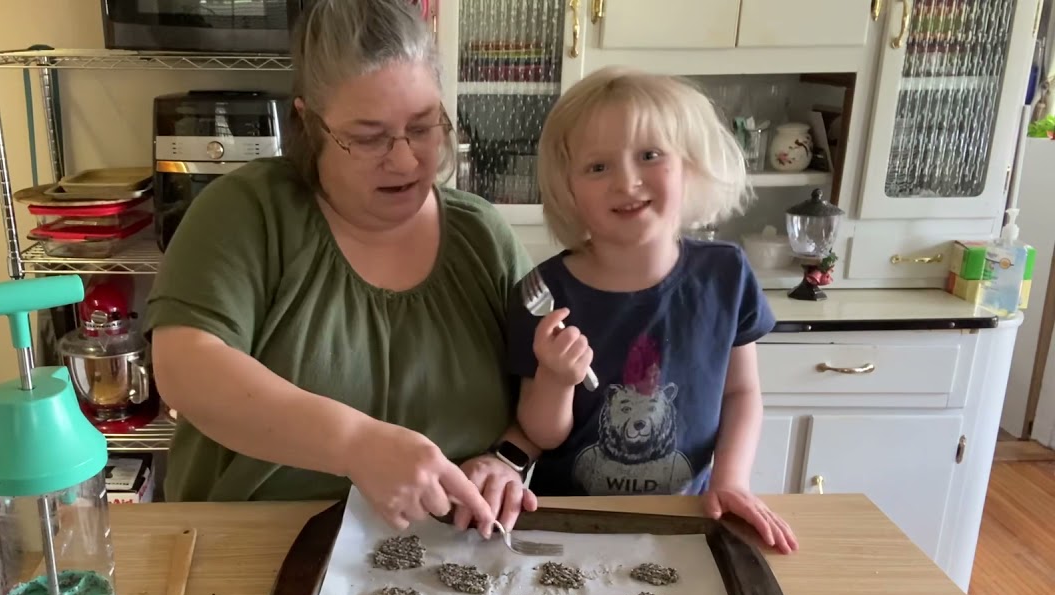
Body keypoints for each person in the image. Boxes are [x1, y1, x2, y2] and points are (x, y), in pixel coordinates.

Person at [145, 0, 539, 537]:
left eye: (423, 128)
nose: (403, 161)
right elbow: (187, 368)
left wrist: (507, 460)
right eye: (369, 137)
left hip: (449, 561)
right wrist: (355, 444)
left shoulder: (484, 237)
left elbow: (545, 388)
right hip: (252, 548)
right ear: (309, 123)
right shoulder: (245, 213)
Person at [506, 67, 798, 553]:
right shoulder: (543, 292)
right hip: (570, 525)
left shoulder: (726, 274)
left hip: (689, 520)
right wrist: (556, 379)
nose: (627, 181)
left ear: (691, 166)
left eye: (650, 156)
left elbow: (742, 394)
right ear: (568, 188)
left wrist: (732, 480)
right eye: (598, 167)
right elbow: (540, 434)